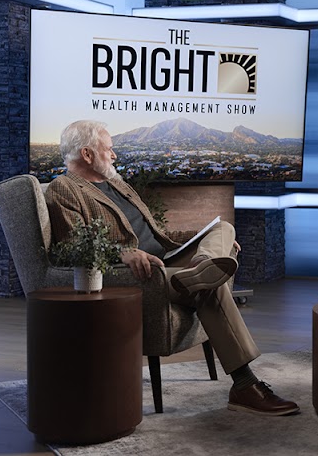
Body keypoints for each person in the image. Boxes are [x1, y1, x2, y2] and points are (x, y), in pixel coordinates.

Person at [44, 120, 299, 416]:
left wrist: (206, 236)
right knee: (209, 287)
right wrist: (122, 252)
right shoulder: (64, 189)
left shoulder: (117, 184)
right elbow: (73, 246)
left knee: (224, 228)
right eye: (108, 149)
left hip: (169, 258)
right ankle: (245, 385)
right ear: (87, 154)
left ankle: (202, 265)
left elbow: (159, 235)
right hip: (141, 275)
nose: (114, 155)